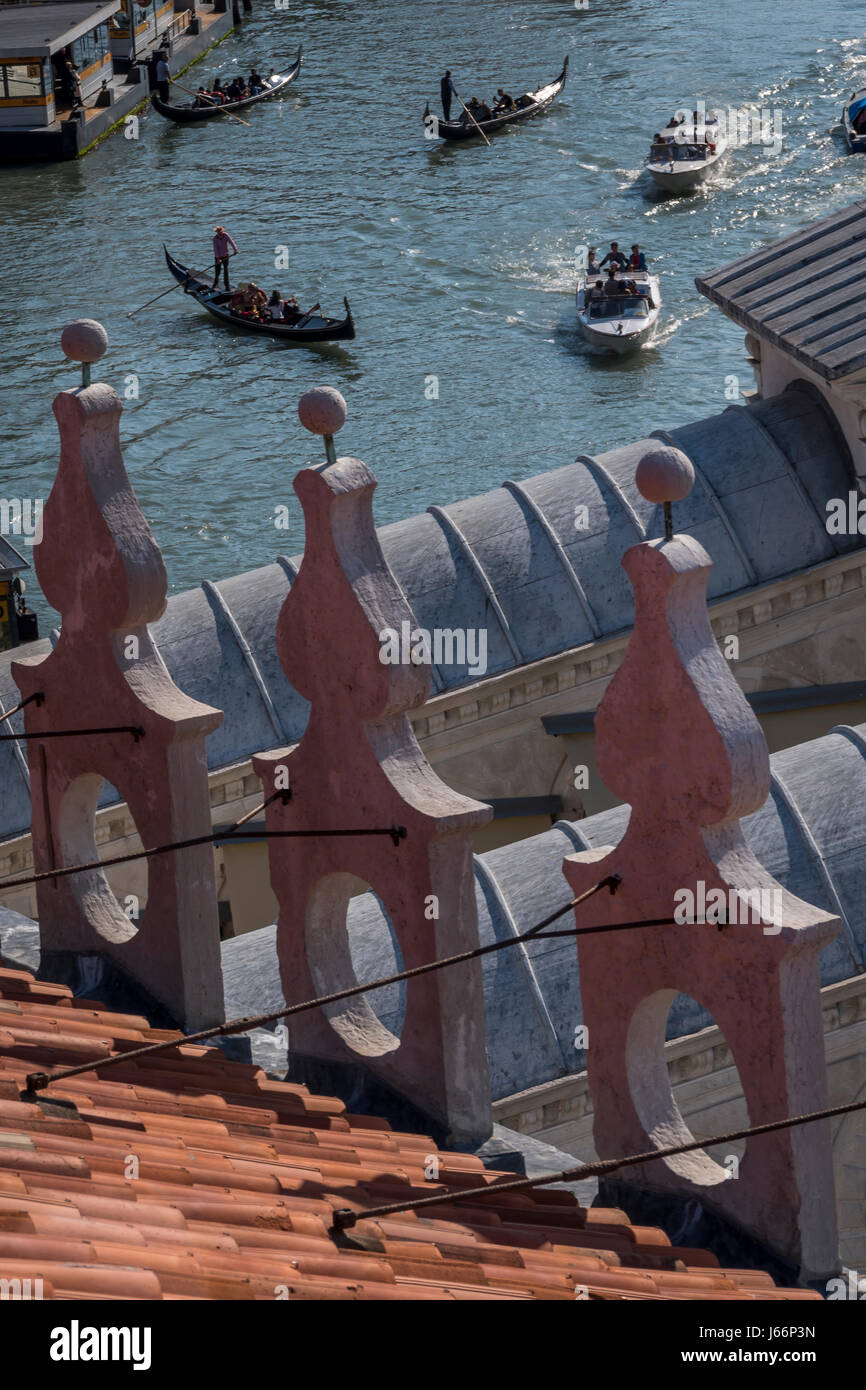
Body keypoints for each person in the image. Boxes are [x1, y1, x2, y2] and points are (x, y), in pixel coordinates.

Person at [212, 225, 238, 290]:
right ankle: (215, 284)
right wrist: (218, 258)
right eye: (218, 232)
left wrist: (235, 249)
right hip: (218, 257)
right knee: (217, 272)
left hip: (226, 255)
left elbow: (231, 242)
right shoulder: (215, 239)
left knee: (226, 270)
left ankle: (227, 285)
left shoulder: (226, 235)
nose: (220, 233)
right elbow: (215, 249)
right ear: (217, 232)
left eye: (220, 232)